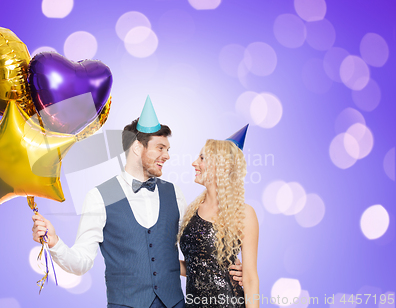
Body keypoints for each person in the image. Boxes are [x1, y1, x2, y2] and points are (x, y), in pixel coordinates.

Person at [32, 96, 243, 308]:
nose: (167, 155)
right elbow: (81, 263)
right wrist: (55, 242)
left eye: (168, 149)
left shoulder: (174, 193)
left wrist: (229, 270)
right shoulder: (99, 197)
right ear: (136, 147)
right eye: (160, 148)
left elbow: (195, 252)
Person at [179, 126, 259, 308]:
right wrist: (157, 263)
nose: (194, 163)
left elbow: (250, 279)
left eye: (202, 158)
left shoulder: (244, 214)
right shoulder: (193, 210)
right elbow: (194, 266)